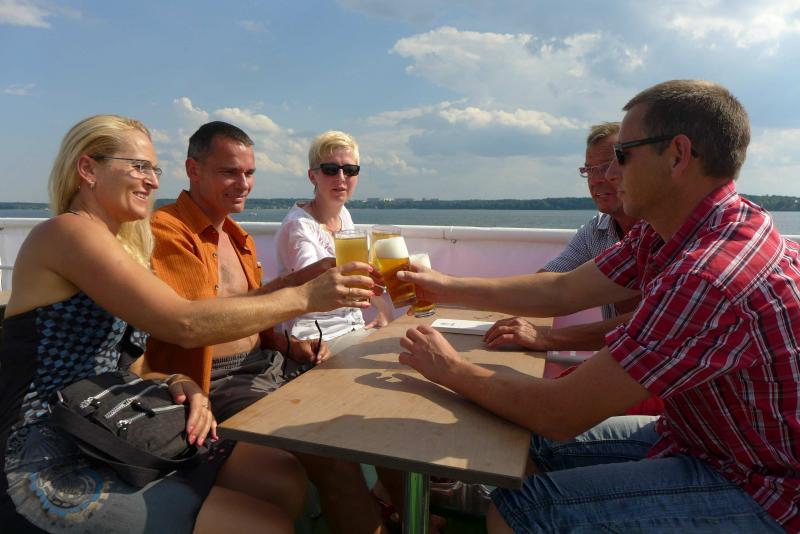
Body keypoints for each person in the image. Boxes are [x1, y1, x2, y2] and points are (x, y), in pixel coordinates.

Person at [398, 80, 796, 532]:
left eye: (622, 155)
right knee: (527, 442)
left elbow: (561, 412)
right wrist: (443, 287)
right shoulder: (678, 228)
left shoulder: (708, 274)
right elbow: (561, 290)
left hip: (765, 486)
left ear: (678, 155)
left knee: (522, 511)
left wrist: (449, 368)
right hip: (700, 439)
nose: (610, 174)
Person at [0, 115, 377, 533]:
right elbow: (183, 323)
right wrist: (305, 296)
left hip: (108, 419)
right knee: (264, 524)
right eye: (138, 167)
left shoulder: (121, 245)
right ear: (88, 169)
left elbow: (126, 359)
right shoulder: (68, 232)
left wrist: (177, 380)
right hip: (47, 447)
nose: (152, 182)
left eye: (154, 169)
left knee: (281, 478)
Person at [143, 121, 391, 534]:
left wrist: (288, 344)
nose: (243, 184)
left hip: (268, 364)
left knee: (362, 421)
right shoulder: (167, 230)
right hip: (217, 380)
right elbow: (197, 322)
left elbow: (252, 318)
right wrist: (302, 289)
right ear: (193, 170)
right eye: (229, 172)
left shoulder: (237, 236)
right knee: (334, 459)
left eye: (249, 173)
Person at [485, 122, 640, 352]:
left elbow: (649, 324)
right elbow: (548, 285)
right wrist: (447, 290)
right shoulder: (595, 231)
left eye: (608, 166)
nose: (596, 180)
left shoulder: (667, 233)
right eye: (589, 170)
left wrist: (547, 337)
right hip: (616, 360)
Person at [275, 130, 392, 357]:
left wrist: (384, 309)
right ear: (313, 176)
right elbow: (316, 289)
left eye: (350, 170)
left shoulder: (343, 214)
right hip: (316, 338)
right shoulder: (298, 226)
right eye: (330, 169)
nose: (341, 177)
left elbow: (357, 271)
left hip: (352, 327)